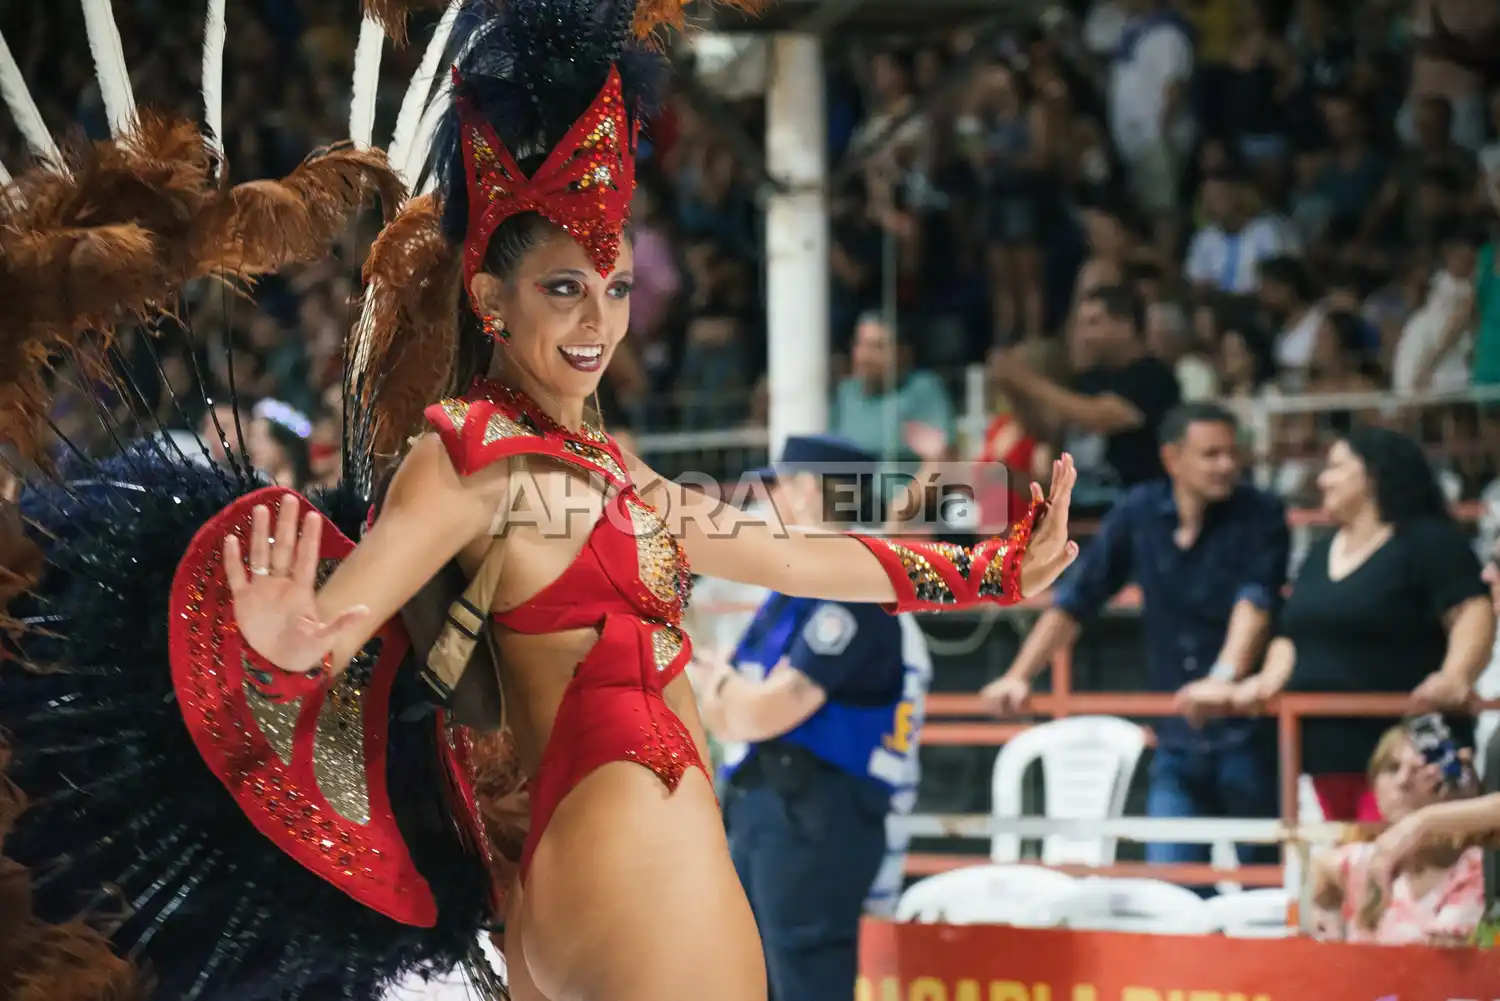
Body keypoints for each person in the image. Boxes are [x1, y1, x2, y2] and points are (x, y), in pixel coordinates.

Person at [0, 3, 1082, 999]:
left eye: (612, 288)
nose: (596, 320)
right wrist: (295, 636)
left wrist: (995, 569)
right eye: (562, 286)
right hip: (638, 878)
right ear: (489, 299)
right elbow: (341, 625)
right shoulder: (472, 456)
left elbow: (797, 558)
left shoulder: (621, 472)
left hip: (603, 878)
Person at [987, 403, 1287, 872]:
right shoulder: (1140, 512)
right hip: (1175, 731)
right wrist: (1018, 676)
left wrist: (1222, 679)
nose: (1227, 465)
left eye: (1232, 454)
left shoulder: (1261, 513)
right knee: (1170, 886)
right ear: (1173, 459)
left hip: (1246, 729)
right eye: (1211, 454)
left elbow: (1256, 603)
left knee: (1265, 882)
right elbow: (1077, 599)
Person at [692, 434, 933, 1001]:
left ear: (806, 490)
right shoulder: (794, 587)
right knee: (750, 979)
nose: (765, 502)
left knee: (804, 982)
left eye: (775, 486)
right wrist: (732, 698)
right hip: (766, 807)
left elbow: (765, 708)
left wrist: (726, 690)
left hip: (815, 818)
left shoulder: (856, 587)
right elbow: (729, 711)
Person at [1197, 427, 1496, 821]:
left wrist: (1456, 676)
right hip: (1326, 756)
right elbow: (1292, 635)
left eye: (1336, 466)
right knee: (1340, 868)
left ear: (1373, 474)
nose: (1323, 478)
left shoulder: (1429, 541)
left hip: (1407, 756)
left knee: (1399, 866)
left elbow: (1470, 610)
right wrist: (1263, 682)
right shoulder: (1320, 553)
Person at [992, 284, 1180, 515]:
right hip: (1077, 517)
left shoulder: (1154, 378)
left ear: (1125, 325)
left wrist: (1026, 380)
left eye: (1093, 323)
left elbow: (1098, 417)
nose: (1083, 335)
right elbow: (1049, 428)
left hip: (1137, 513)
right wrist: (1013, 389)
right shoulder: (1088, 380)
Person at [1311, 725, 1487, 946]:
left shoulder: (1472, 868)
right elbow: (1323, 869)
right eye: (1392, 768)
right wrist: (1330, 924)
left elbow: (1445, 964)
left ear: (1451, 786)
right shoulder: (1362, 860)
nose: (1403, 781)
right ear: (1373, 785)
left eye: (1419, 770)